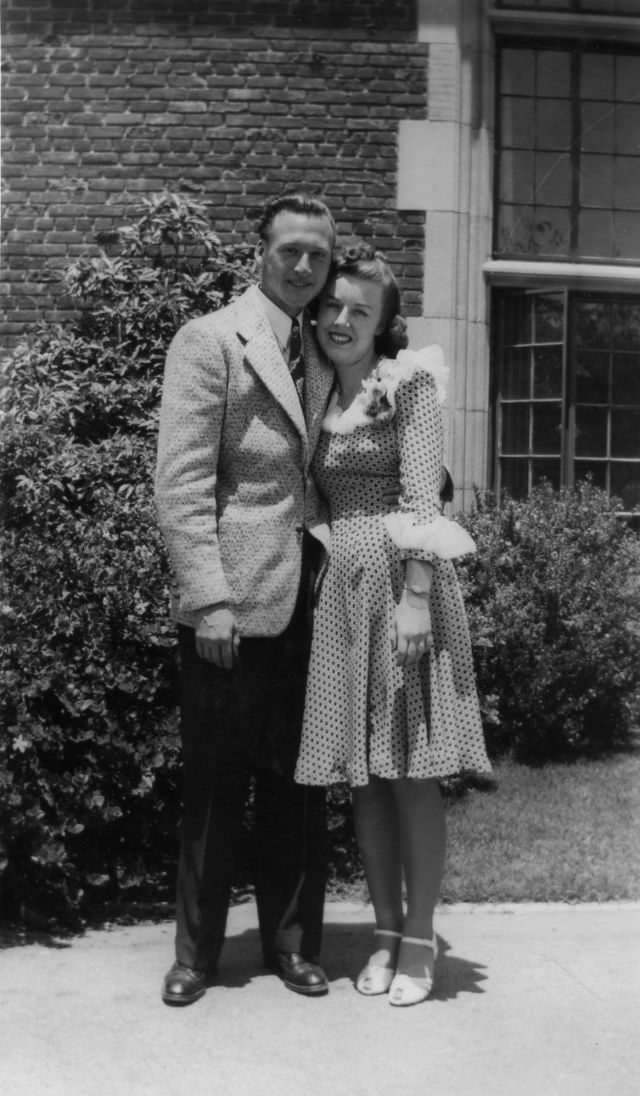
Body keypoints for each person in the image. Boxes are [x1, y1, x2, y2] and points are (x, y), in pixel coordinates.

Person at [295, 242, 492, 1007]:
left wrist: (414, 597)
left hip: (401, 582)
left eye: (359, 310)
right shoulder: (313, 386)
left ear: (384, 324)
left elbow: (421, 496)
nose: (341, 319)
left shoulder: (408, 385)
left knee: (410, 772)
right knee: (363, 778)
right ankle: (382, 929)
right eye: (332, 306)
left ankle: (418, 939)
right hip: (342, 591)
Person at [155, 192, 338, 1005]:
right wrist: (210, 599)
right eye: (291, 250)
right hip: (234, 602)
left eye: (318, 256)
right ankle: (196, 954)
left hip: (318, 599)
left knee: (300, 787)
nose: (304, 266)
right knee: (217, 785)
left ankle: (293, 944)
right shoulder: (209, 341)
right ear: (259, 252)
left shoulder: (332, 346)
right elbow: (183, 485)